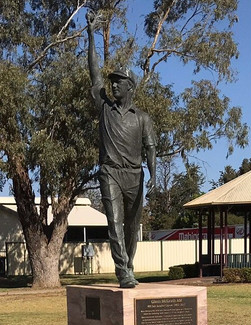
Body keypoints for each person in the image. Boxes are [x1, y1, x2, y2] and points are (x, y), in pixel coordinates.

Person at [86, 10, 156, 288]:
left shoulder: (142, 118)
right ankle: (122, 271)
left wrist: (153, 175)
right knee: (115, 223)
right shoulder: (104, 108)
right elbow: (94, 74)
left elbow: (150, 147)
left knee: (132, 227)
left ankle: (129, 263)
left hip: (135, 176)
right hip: (111, 173)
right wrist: (91, 35)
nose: (113, 85)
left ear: (130, 87)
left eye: (119, 82)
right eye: (112, 82)